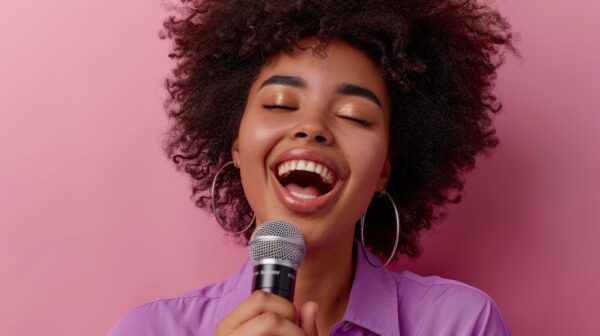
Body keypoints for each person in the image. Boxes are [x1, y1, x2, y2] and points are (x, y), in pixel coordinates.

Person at [109, 0, 516, 334]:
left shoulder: (459, 324)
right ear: (235, 144)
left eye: (355, 115)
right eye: (280, 104)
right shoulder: (149, 329)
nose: (312, 128)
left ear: (385, 170)